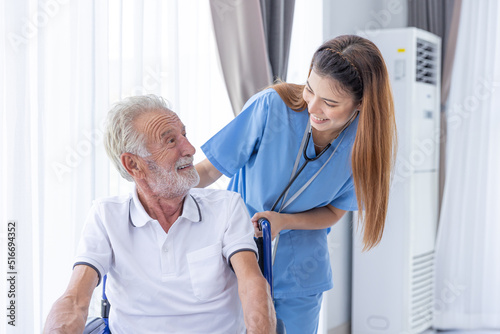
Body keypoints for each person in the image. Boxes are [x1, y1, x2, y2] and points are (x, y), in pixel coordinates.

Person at [195, 35, 397, 333]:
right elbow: (210, 170)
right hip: (239, 259)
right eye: (310, 89)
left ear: (361, 104)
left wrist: (283, 221)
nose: (313, 107)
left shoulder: (363, 149)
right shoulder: (272, 108)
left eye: (330, 102)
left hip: (302, 275)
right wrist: (161, 183)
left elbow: (333, 212)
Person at [43, 95, 276, 334]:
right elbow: (75, 300)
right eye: (171, 141)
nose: (190, 149)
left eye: (184, 135)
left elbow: (252, 287)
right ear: (133, 164)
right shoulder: (106, 216)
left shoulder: (226, 206)